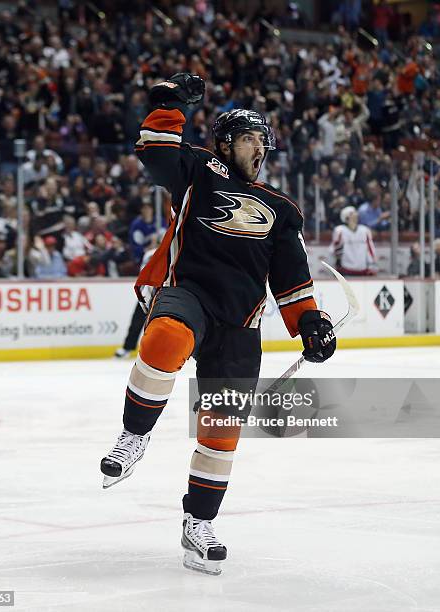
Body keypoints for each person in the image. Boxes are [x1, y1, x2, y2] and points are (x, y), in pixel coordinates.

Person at [99, 72, 337, 576]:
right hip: (189, 295)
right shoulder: (198, 171)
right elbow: (154, 151)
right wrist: (169, 102)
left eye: (263, 142)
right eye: (251, 139)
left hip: (241, 326)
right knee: (163, 338)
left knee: (220, 434)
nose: (260, 149)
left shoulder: (281, 208)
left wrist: (310, 322)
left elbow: (292, 276)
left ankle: (198, 525)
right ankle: (134, 434)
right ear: (226, 142)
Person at [330, 206, 377, 276]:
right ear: (347, 217)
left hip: (363, 270)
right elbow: (334, 250)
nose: (356, 214)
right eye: (352, 213)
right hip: (346, 270)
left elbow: (370, 249)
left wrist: (372, 266)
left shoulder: (365, 230)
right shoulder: (340, 231)